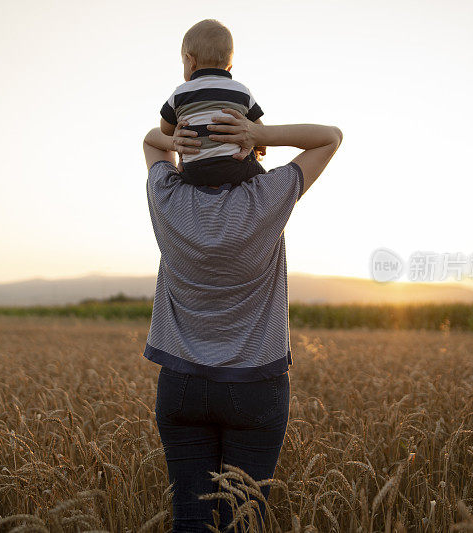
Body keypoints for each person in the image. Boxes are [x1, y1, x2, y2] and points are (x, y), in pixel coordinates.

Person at [142, 109, 342, 531]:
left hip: (181, 383)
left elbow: (152, 142)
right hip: (256, 385)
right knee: (243, 521)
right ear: (245, 151)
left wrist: (182, 137)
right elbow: (329, 137)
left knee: (190, 520)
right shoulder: (267, 196)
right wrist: (260, 132)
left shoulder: (167, 196)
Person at [160, 19, 267, 187]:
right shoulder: (241, 91)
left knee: (182, 166)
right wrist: (260, 146)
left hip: (193, 172)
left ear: (190, 61)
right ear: (229, 67)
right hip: (235, 168)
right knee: (263, 179)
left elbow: (165, 129)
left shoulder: (180, 92)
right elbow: (259, 129)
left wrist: (178, 130)